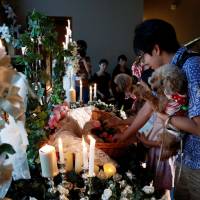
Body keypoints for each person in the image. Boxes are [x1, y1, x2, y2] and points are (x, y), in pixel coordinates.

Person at [113, 19, 200, 200]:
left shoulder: (192, 67)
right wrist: (125, 134)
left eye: (143, 56)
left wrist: (166, 118)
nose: (144, 63)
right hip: (184, 158)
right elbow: (149, 107)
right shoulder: (170, 69)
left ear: (156, 49)